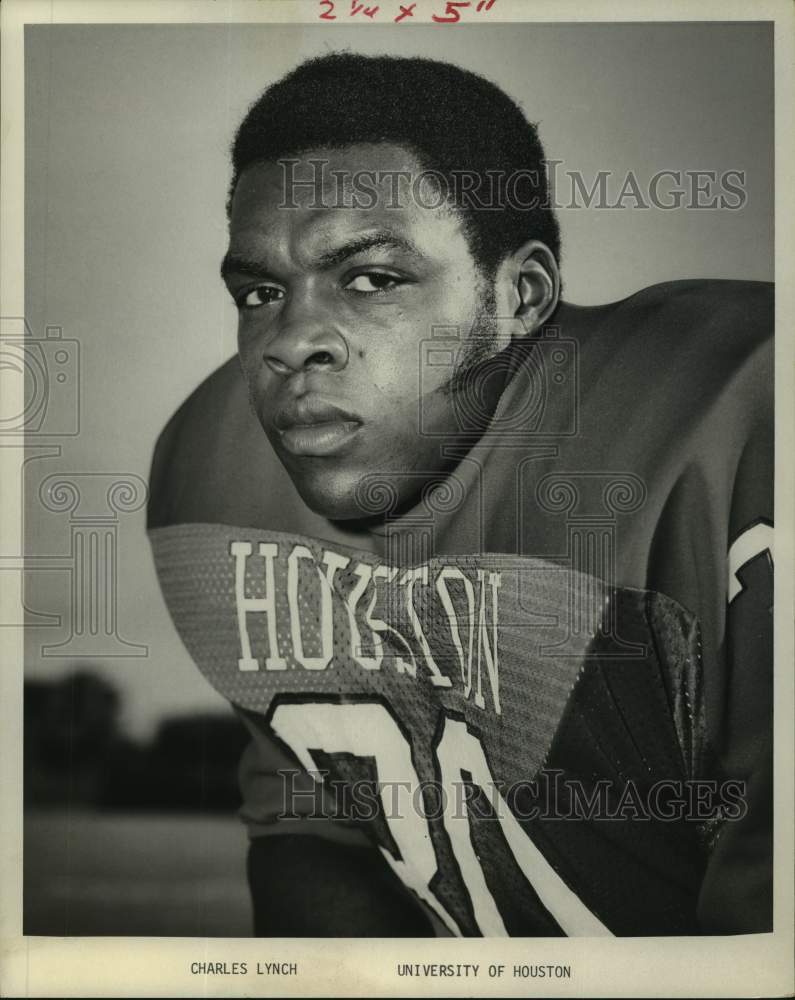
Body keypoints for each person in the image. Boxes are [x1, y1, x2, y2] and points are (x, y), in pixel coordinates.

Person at [147, 53, 773, 937]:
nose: (291, 342)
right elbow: (317, 832)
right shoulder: (214, 471)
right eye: (260, 292)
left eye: (370, 279)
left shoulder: (740, 409)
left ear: (521, 295)